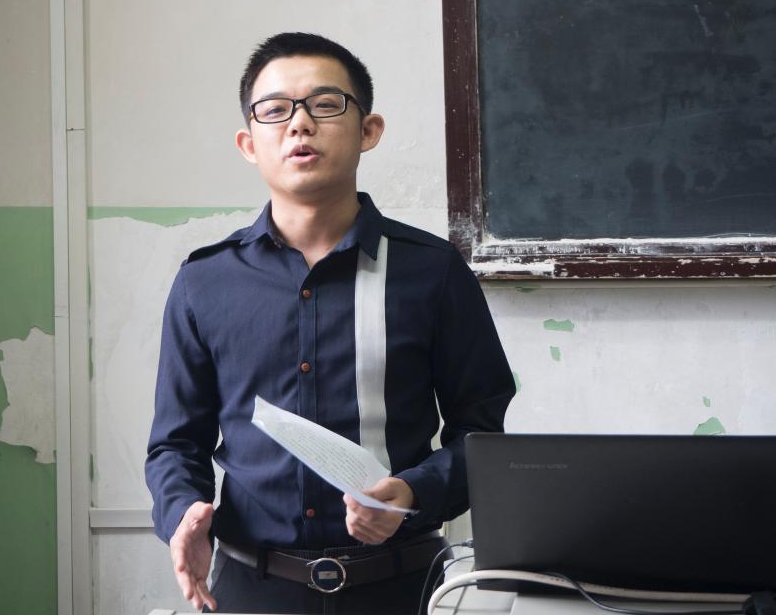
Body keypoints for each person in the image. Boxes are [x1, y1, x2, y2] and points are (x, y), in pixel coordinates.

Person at [145, 32, 514, 614]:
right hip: (252, 591)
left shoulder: (434, 272)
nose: (300, 124)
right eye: (275, 110)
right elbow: (175, 443)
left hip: (402, 588)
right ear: (249, 143)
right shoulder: (205, 281)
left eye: (324, 104)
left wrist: (413, 492)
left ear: (369, 130)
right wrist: (182, 514)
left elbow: (483, 437)